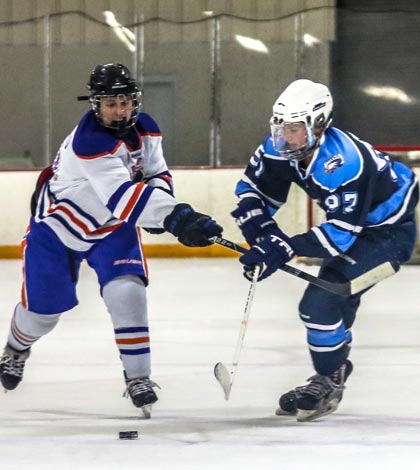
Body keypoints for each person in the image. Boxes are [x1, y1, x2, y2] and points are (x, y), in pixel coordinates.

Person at [0, 63, 223, 418]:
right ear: (95, 105)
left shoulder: (147, 128)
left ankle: (138, 377)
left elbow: (155, 173)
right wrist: (174, 217)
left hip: (113, 226)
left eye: (124, 102)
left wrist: (162, 208)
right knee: (43, 315)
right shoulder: (89, 141)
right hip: (58, 230)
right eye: (110, 103)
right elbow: (120, 195)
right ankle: (15, 348)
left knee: (128, 291)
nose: (119, 110)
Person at [231, 79, 418, 422]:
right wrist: (264, 235)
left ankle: (329, 377)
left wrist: (282, 247)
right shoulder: (282, 147)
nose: (286, 137)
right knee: (332, 303)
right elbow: (252, 192)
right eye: (281, 126)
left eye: (295, 128)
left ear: (319, 124)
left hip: (388, 237)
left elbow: (341, 237)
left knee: (320, 303)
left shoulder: (345, 161)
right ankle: (330, 372)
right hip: (355, 230)